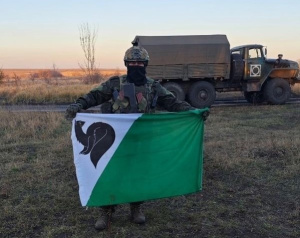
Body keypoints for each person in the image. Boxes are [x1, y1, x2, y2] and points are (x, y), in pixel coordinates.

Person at [65, 45, 196, 231]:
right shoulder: (114, 84)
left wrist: (193, 112)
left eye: (140, 63)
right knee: (112, 175)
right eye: (132, 63)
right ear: (126, 64)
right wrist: (78, 104)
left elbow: (172, 103)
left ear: (145, 64)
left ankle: (136, 208)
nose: (136, 65)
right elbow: (94, 96)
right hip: (116, 142)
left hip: (142, 142)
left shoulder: (153, 87)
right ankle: (106, 210)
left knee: (138, 175)